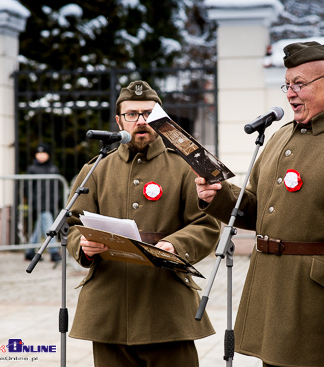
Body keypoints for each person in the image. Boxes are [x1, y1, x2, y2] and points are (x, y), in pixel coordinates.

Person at [196, 42, 324, 366]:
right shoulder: (281, 137)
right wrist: (220, 195)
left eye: (300, 84)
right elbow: (261, 209)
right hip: (273, 302)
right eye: (287, 85)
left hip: (318, 309)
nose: (290, 94)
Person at [66, 80, 221, 366]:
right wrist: (83, 245)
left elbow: (207, 224)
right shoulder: (96, 168)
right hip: (108, 307)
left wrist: (176, 244)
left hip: (166, 305)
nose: (140, 121)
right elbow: (72, 223)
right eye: (132, 114)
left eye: (148, 113)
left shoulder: (185, 166)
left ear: (161, 118)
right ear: (119, 120)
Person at [24, 142, 62, 263]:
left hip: (50, 203)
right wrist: (31, 201)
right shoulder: (32, 169)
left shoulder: (53, 169)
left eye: (43, 153)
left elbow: (57, 187)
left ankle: (30, 251)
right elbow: (27, 187)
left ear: (48, 154)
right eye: (38, 153)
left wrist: (57, 200)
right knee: (49, 226)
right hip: (38, 203)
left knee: (40, 226)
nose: (40, 155)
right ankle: (54, 251)